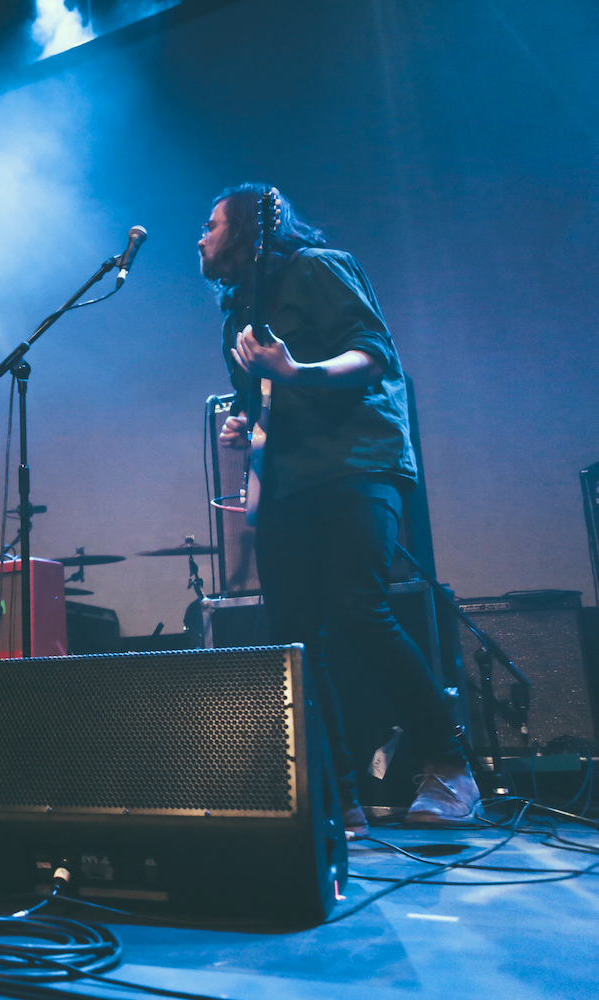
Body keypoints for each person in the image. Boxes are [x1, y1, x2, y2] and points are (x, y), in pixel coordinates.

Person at [201, 183, 479, 832]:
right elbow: (260, 399)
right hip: (288, 479)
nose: (201, 237)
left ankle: (450, 766)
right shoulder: (237, 314)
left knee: (359, 605)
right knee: (295, 639)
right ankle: (337, 797)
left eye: (211, 224)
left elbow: (371, 355)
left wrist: (295, 371)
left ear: (247, 228)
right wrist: (243, 422)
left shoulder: (318, 268)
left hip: (358, 462)